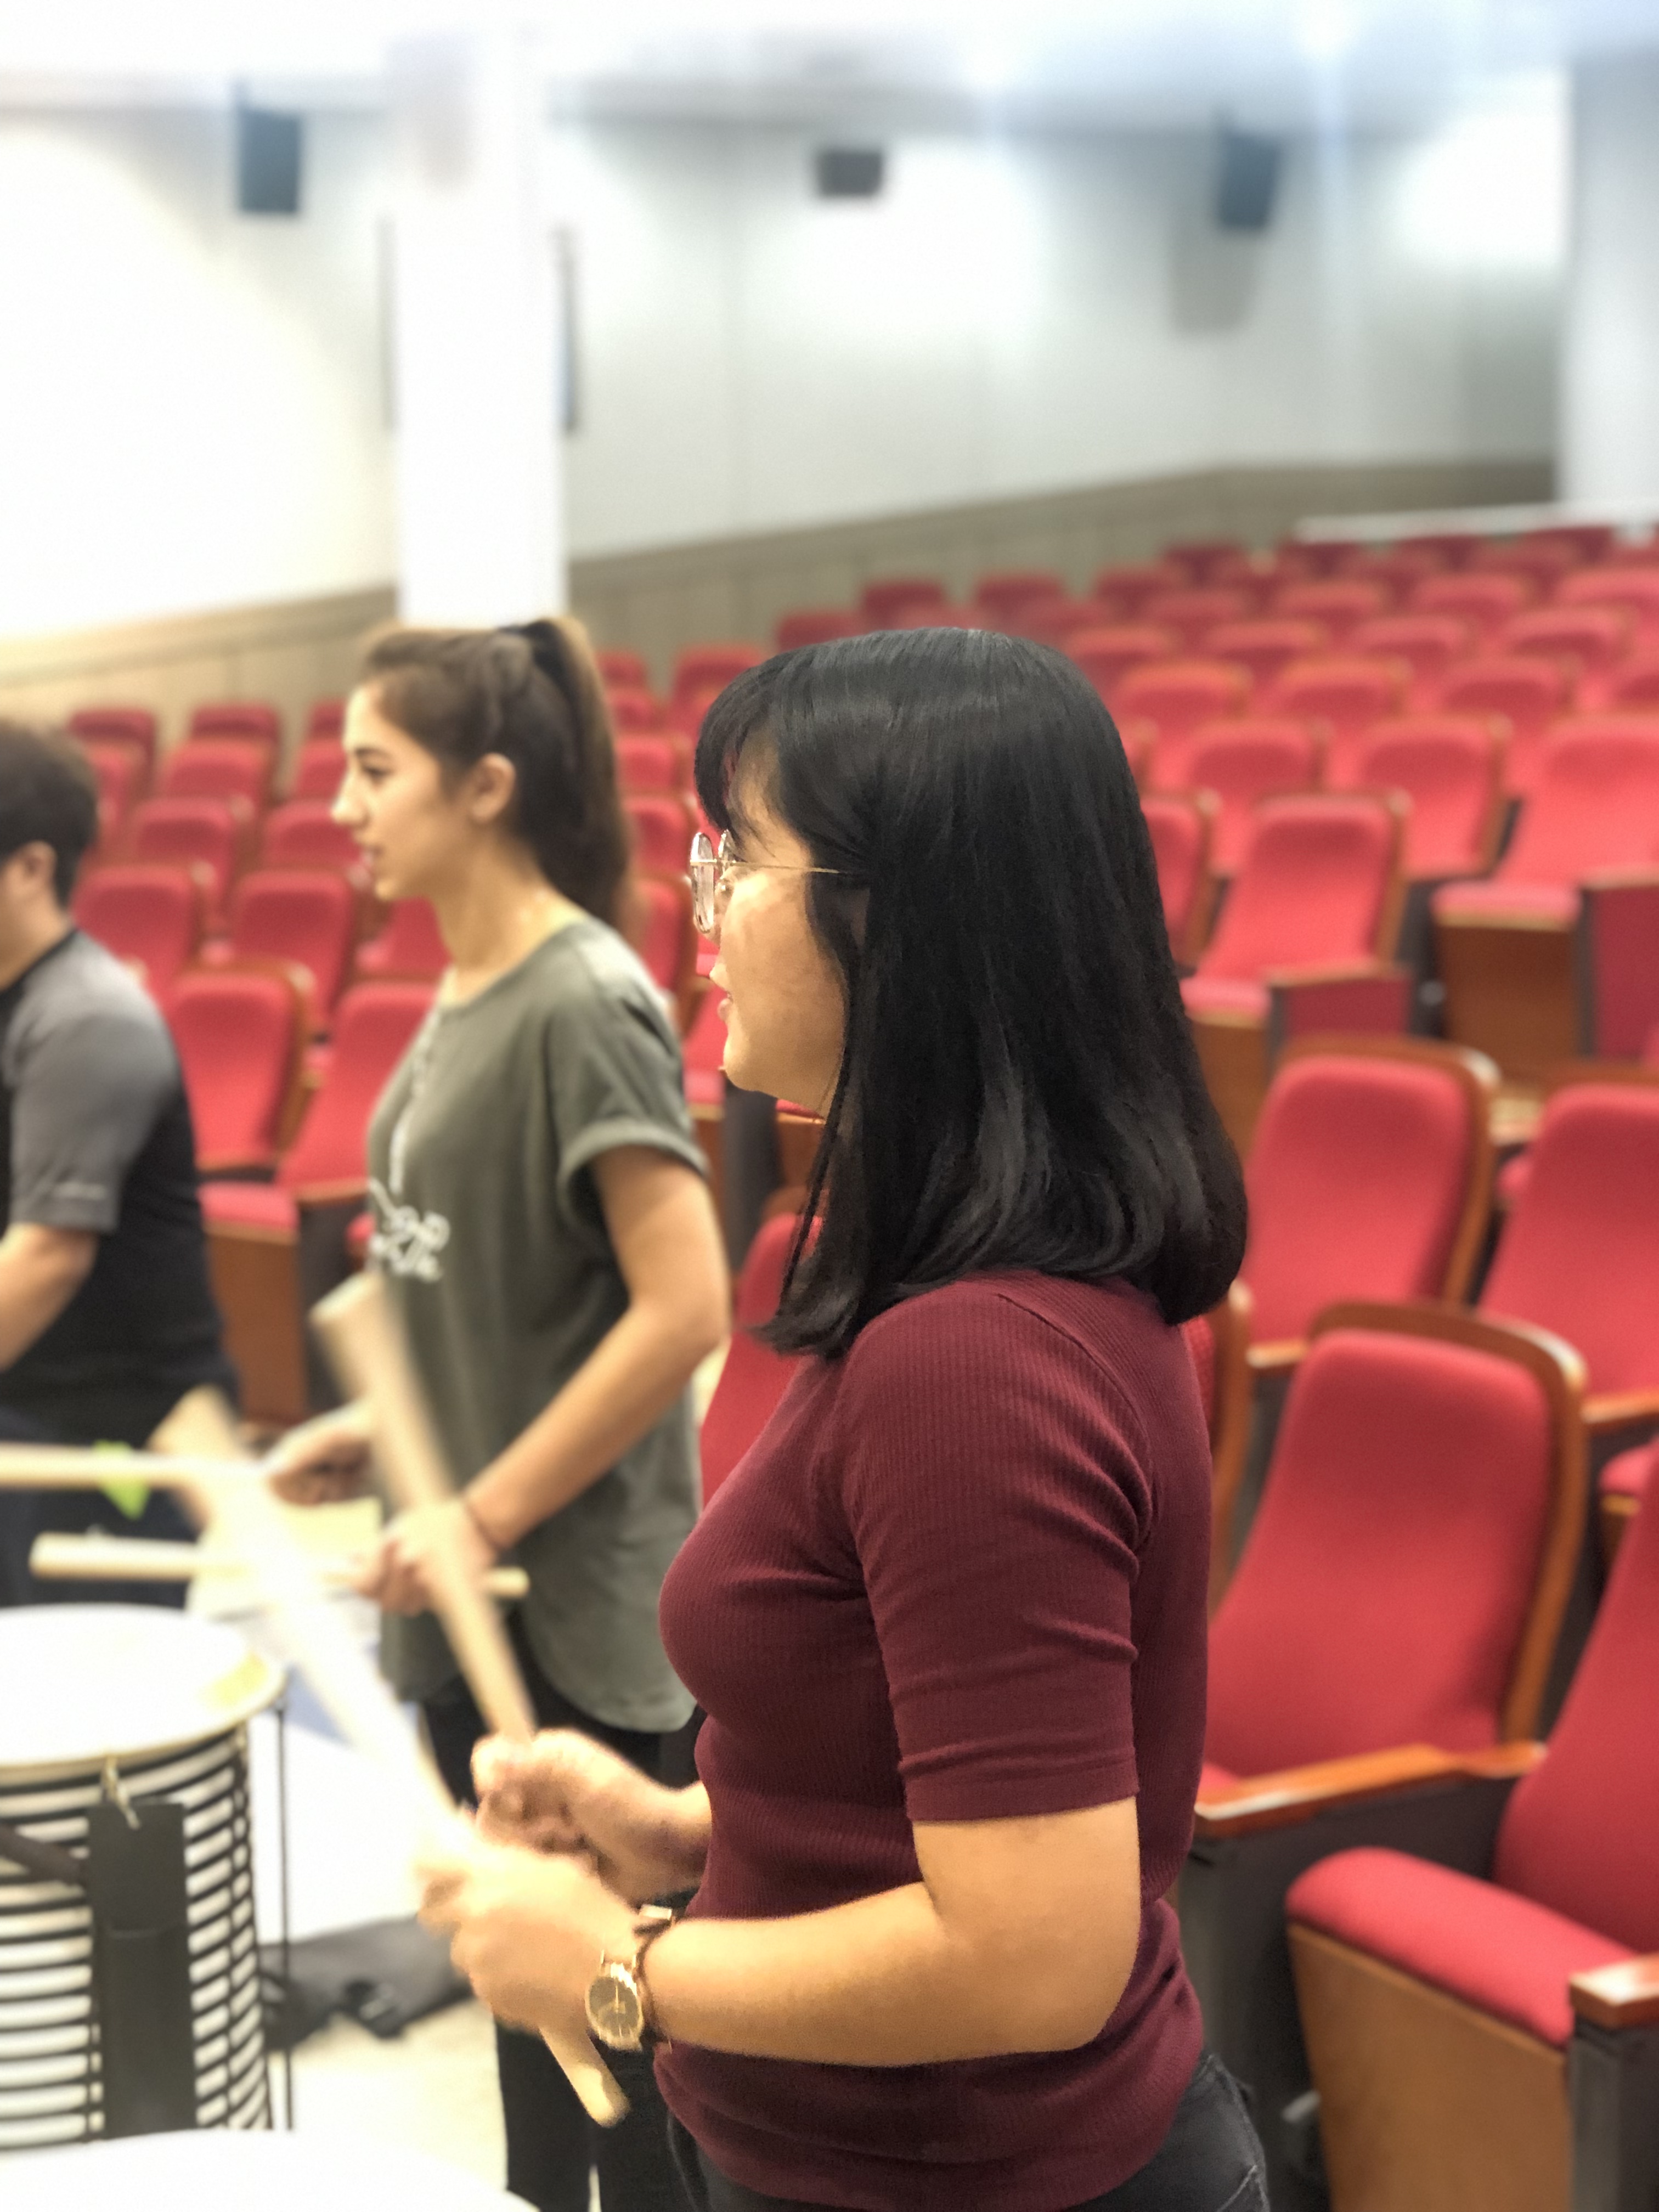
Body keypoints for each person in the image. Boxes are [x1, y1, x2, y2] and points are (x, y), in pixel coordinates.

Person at [418, 626, 1264, 2211]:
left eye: (738, 857)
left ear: (901, 919)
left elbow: (1031, 1955)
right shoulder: (964, 1285)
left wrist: (623, 1967)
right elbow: (912, 1772)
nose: (701, 906)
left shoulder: (979, 1365)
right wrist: (685, 1832)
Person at [269, 618, 728, 2212]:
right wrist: (387, 1436)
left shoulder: (581, 996)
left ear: (485, 786)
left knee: (629, 2078)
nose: (343, 806)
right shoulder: (463, 988)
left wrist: (479, 1510)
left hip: (574, 1602)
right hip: (475, 1596)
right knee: (527, 2032)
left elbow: (685, 1304)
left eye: (373, 770)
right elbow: (476, 1278)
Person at [0, 722, 235, 1607]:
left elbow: (47, 1255)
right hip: (30, 1411)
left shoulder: (87, 1018)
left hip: (121, 1441)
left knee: (90, 1686)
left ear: (31, 867)